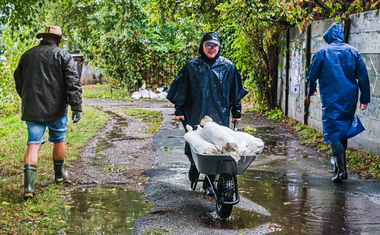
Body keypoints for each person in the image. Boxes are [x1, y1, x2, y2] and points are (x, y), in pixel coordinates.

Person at [167, 31, 248, 195]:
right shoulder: (192, 66)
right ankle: (194, 165)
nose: (212, 49)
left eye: (215, 46)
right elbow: (182, 89)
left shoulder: (228, 67)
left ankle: (209, 183)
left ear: (219, 47)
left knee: (217, 147)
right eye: (208, 45)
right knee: (196, 144)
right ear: (202, 46)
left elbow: (235, 92)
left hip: (220, 114)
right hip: (196, 111)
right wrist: (179, 109)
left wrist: (237, 112)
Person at [14, 26, 82, 199]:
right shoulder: (64, 56)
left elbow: (18, 79)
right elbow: (72, 83)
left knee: (33, 143)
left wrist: (27, 98)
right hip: (57, 109)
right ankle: (59, 176)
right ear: (58, 40)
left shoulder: (28, 55)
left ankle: (29, 187)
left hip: (33, 109)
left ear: (43, 38)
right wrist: (76, 106)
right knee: (59, 140)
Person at [306, 22, 370, 182]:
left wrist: (311, 88)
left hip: (331, 95)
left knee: (333, 127)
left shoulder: (322, 52)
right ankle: (337, 162)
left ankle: (341, 170)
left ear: (328, 36)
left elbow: (312, 74)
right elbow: (363, 75)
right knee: (343, 126)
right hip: (350, 96)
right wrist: (364, 98)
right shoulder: (353, 51)